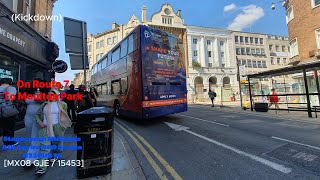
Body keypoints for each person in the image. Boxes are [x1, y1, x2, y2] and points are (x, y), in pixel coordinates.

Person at [34, 89, 72, 175]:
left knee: (58, 144)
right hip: (45, 128)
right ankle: (41, 167)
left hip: (58, 127)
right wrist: (40, 122)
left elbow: (64, 115)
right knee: (45, 148)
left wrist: (62, 126)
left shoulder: (63, 104)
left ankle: (55, 156)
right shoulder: (44, 104)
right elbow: (36, 115)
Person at [0, 78, 19, 146]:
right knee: (9, 127)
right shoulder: (11, 88)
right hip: (7, 109)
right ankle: (9, 143)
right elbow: (11, 98)